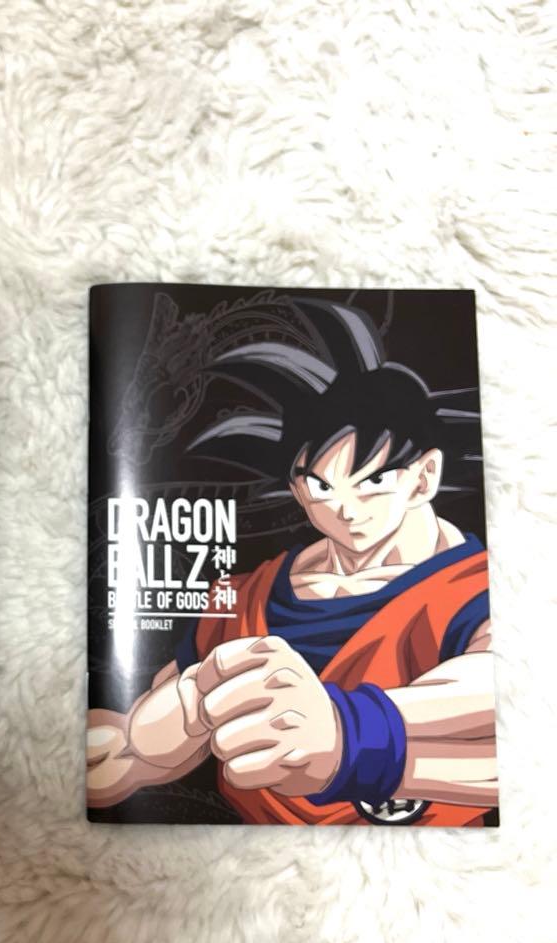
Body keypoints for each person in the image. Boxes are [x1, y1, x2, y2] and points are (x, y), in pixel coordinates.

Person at [86, 298, 496, 825]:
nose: (345, 508)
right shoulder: (247, 595)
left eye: (372, 481)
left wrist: (350, 737)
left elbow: (501, 710)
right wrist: (166, 723)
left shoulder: (478, 587)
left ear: (423, 477)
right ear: (298, 490)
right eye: (322, 486)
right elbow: (130, 753)